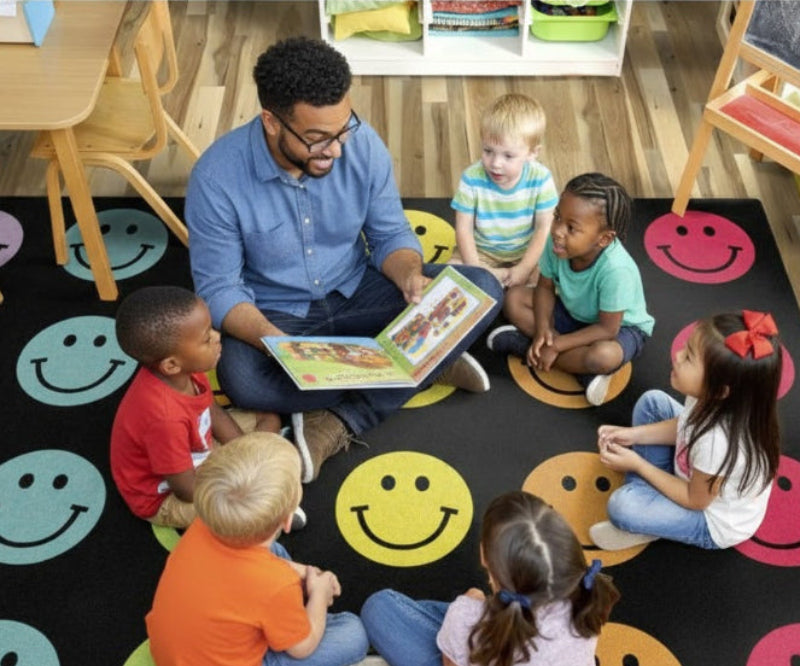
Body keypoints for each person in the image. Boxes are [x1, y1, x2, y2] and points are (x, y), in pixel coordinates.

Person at [185, 37, 503, 483]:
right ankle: (424, 365)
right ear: (272, 122)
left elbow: (390, 233)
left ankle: (336, 420)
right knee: (242, 379)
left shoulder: (361, 144)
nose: (336, 149)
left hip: (361, 288)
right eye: (317, 139)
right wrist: (280, 344)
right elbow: (219, 288)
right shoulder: (216, 179)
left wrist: (410, 275)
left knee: (483, 290)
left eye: (342, 129)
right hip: (280, 316)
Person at [145, 432, 401, 666]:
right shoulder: (275, 586)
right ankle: (308, 658)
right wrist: (317, 595)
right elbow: (301, 649)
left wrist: (302, 573)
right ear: (288, 519)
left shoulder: (202, 527)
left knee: (275, 554)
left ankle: (283, 623)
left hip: (176, 662)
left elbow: (250, 571)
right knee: (354, 634)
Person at [361, 490, 620, 666]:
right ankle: (438, 634)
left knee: (379, 607)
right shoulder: (585, 596)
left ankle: (408, 643)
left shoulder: (470, 616)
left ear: (484, 555)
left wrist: (462, 614)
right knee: (454, 618)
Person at [111, 285, 303, 531]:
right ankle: (272, 504)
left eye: (212, 328)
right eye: (206, 338)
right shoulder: (164, 419)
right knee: (245, 506)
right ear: (171, 365)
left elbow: (212, 411)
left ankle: (262, 472)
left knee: (267, 417)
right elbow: (187, 490)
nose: (217, 336)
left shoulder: (187, 371)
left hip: (198, 448)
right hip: (165, 498)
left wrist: (243, 453)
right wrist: (240, 475)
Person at [590, 310, 782, 551]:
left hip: (709, 517)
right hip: (694, 474)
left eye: (689, 357)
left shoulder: (718, 443)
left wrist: (637, 464)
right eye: (686, 348)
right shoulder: (713, 399)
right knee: (653, 402)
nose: (678, 356)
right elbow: (685, 425)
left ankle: (646, 516)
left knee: (622, 507)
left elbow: (695, 500)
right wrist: (633, 435)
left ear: (720, 391)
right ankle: (651, 503)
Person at [487, 172, 654, 406]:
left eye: (571, 227)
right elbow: (544, 288)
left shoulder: (617, 270)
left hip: (619, 329)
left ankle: (523, 346)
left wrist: (556, 345)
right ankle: (577, 368)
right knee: (513, 298)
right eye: (557, 217)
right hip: (573, 313)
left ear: (604, 239)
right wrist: (544, 328)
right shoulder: (557, 243)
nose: (557, 230)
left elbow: (607, 329)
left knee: (603, 357)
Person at [450, 93, 557, 295]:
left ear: (532, 153)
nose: (495, 163)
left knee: (551, 277)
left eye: (508, 155)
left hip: (527, 253)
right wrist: (478, 270)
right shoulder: (471, 178)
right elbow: (463, 229)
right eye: (488, 151)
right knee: (450, 272)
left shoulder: (541, 178)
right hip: (482, 253)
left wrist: (525, 268)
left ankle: (514, 303)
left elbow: (545, 228)